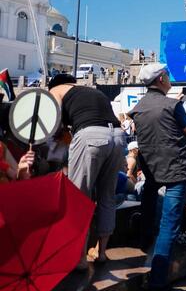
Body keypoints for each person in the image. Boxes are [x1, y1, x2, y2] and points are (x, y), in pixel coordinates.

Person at [128, 63, 186, 291]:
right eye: (167, 75)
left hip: (151, 169)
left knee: (149, 208)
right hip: (176, 171)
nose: (170, 78)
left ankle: (144, 241)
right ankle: (158, 286)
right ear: (160, 79)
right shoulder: (173, 105)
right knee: (169, 226)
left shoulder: (138, 108)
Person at [48, 74, 127, 269]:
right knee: (107, 196)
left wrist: (54, 140)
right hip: (117, 137)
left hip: (91, 136)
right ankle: (101, 253)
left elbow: (55, 120)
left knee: (79, 199)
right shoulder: (92, 92)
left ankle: (79, 259)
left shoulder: (56, 90)